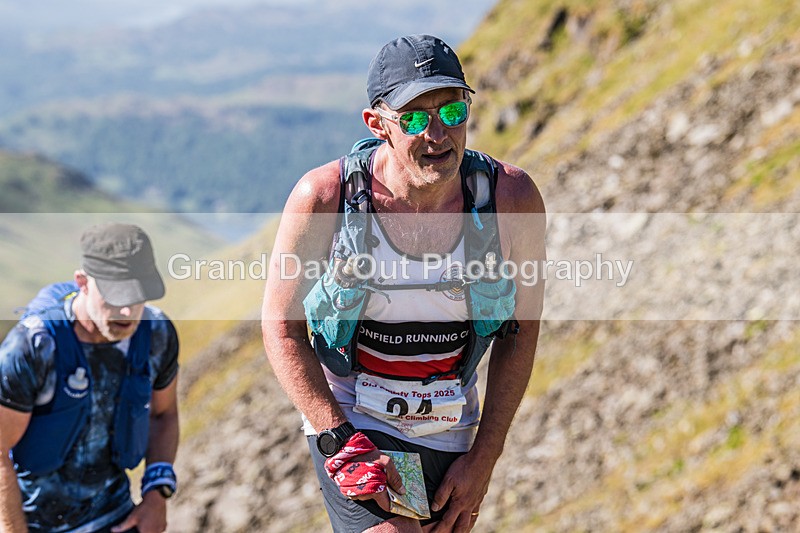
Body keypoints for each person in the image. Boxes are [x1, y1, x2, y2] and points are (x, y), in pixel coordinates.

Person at [262, 34, 545, 532]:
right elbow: (281, 327)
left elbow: (521, 330)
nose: (438, 133)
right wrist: (339, 439)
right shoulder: (325, 198)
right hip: (356, 417)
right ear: (378, 125)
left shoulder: (510, 198)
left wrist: (485, 457)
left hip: (450, 421)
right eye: (415, 118)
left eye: (452, 112)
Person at [0, 223, 180, 533]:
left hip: (117, 518)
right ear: (82, 282)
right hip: (33, 524)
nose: (127, 311)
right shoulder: (34, 346)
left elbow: (164, 415)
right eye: (116, 295)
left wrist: (156, 496)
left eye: (138, 295)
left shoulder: (157, 336)